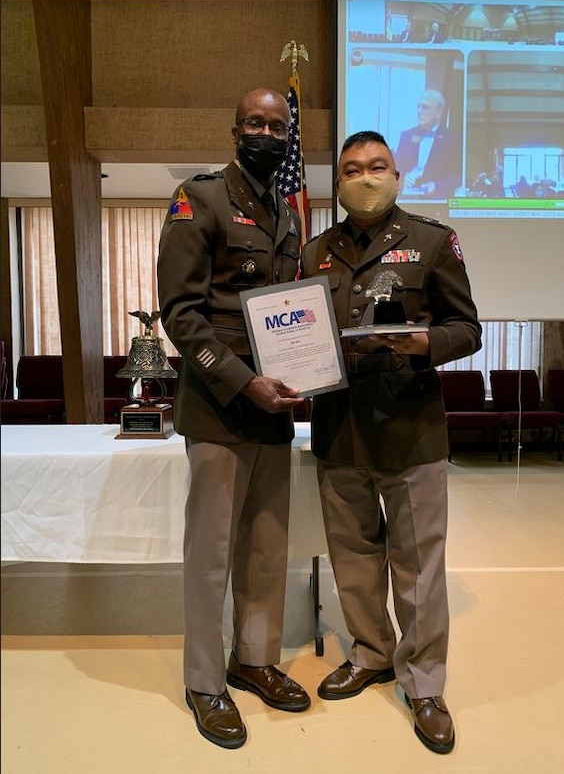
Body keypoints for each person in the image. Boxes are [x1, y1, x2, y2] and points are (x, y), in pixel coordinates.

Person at [300, 131, 481, 755]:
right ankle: (373, 654)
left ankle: (425, 683)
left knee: (420, 568)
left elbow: (468, 327)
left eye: (377, 166)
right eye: (352, 169)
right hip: (339, 427)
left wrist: (424, 343)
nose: (364, 177)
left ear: (398, 174)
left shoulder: (433, 241)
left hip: (411, 430)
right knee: (352, 560)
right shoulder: (315, 250)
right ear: (341, 181)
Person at [157, 87, 311, 750]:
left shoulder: (285, 211)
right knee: (212, 548)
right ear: (234, 128)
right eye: (255, 122)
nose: (267, 133)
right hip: (220, 403)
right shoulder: (201, 199)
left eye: (277, 125)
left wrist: (304, 370)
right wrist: (244, 380)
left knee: (267, 542)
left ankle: (253, 659)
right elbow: (180, 314)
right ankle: (202, 681)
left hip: (271, 405)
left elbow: (288, 313)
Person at [394, 90, 461, 200]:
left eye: (425, 107)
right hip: (407, 202)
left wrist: (436, 186)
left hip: (436, 203)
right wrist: (403, 178)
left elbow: (457, 175)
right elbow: (397, 168)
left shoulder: (452, 139)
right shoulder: (406, 136)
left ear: (439, 112)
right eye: (418, 107)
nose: (419, 111)